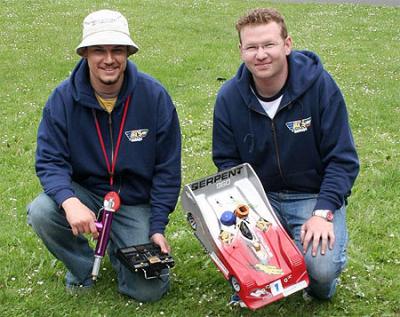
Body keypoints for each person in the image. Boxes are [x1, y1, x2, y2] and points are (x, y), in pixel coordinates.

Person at [27, 9, 181, 302]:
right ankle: (82, 267)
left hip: (133, 201)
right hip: (85, 193)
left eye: (117, 50)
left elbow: (168, 168)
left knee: (149, 291)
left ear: (127, 53)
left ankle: (118, 244)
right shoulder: (62, 99)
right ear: (85, 53)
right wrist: (69, 201)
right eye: (99, 50)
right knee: (42, 211)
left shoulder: (154, 96)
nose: (109, 59)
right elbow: (49, 160)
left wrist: (158, 226)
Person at [212, 8, 359, 300]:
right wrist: (244, 214)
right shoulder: (229, 97)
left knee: (322, 268)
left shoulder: (320, 87)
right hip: (259, 200)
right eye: (252, 47)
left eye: (269, 44)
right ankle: (273, 260)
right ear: (241, 51)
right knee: (236, 250)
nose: (261, 54)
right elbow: (226, 162)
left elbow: (342, 159)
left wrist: (323, 212)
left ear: (287, 44)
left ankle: (313, 277)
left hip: (311, 196)